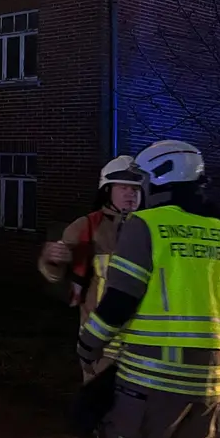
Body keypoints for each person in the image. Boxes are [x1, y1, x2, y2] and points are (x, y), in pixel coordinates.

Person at [76, 139, 220, 438]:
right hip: (210, 383)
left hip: (151, 380)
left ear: (159, 179)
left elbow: (120, 300)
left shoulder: (147, 224)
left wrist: (88, 344)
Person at [37, 155, 146, 382]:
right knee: (100, 401)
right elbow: (56, 278)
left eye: (136, 188)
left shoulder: (150, 227)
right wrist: (51, 260)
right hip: (100, 345)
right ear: (107, 191)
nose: (131, 193)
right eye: (123, 187)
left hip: (142, 343)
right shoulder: (87, 226)